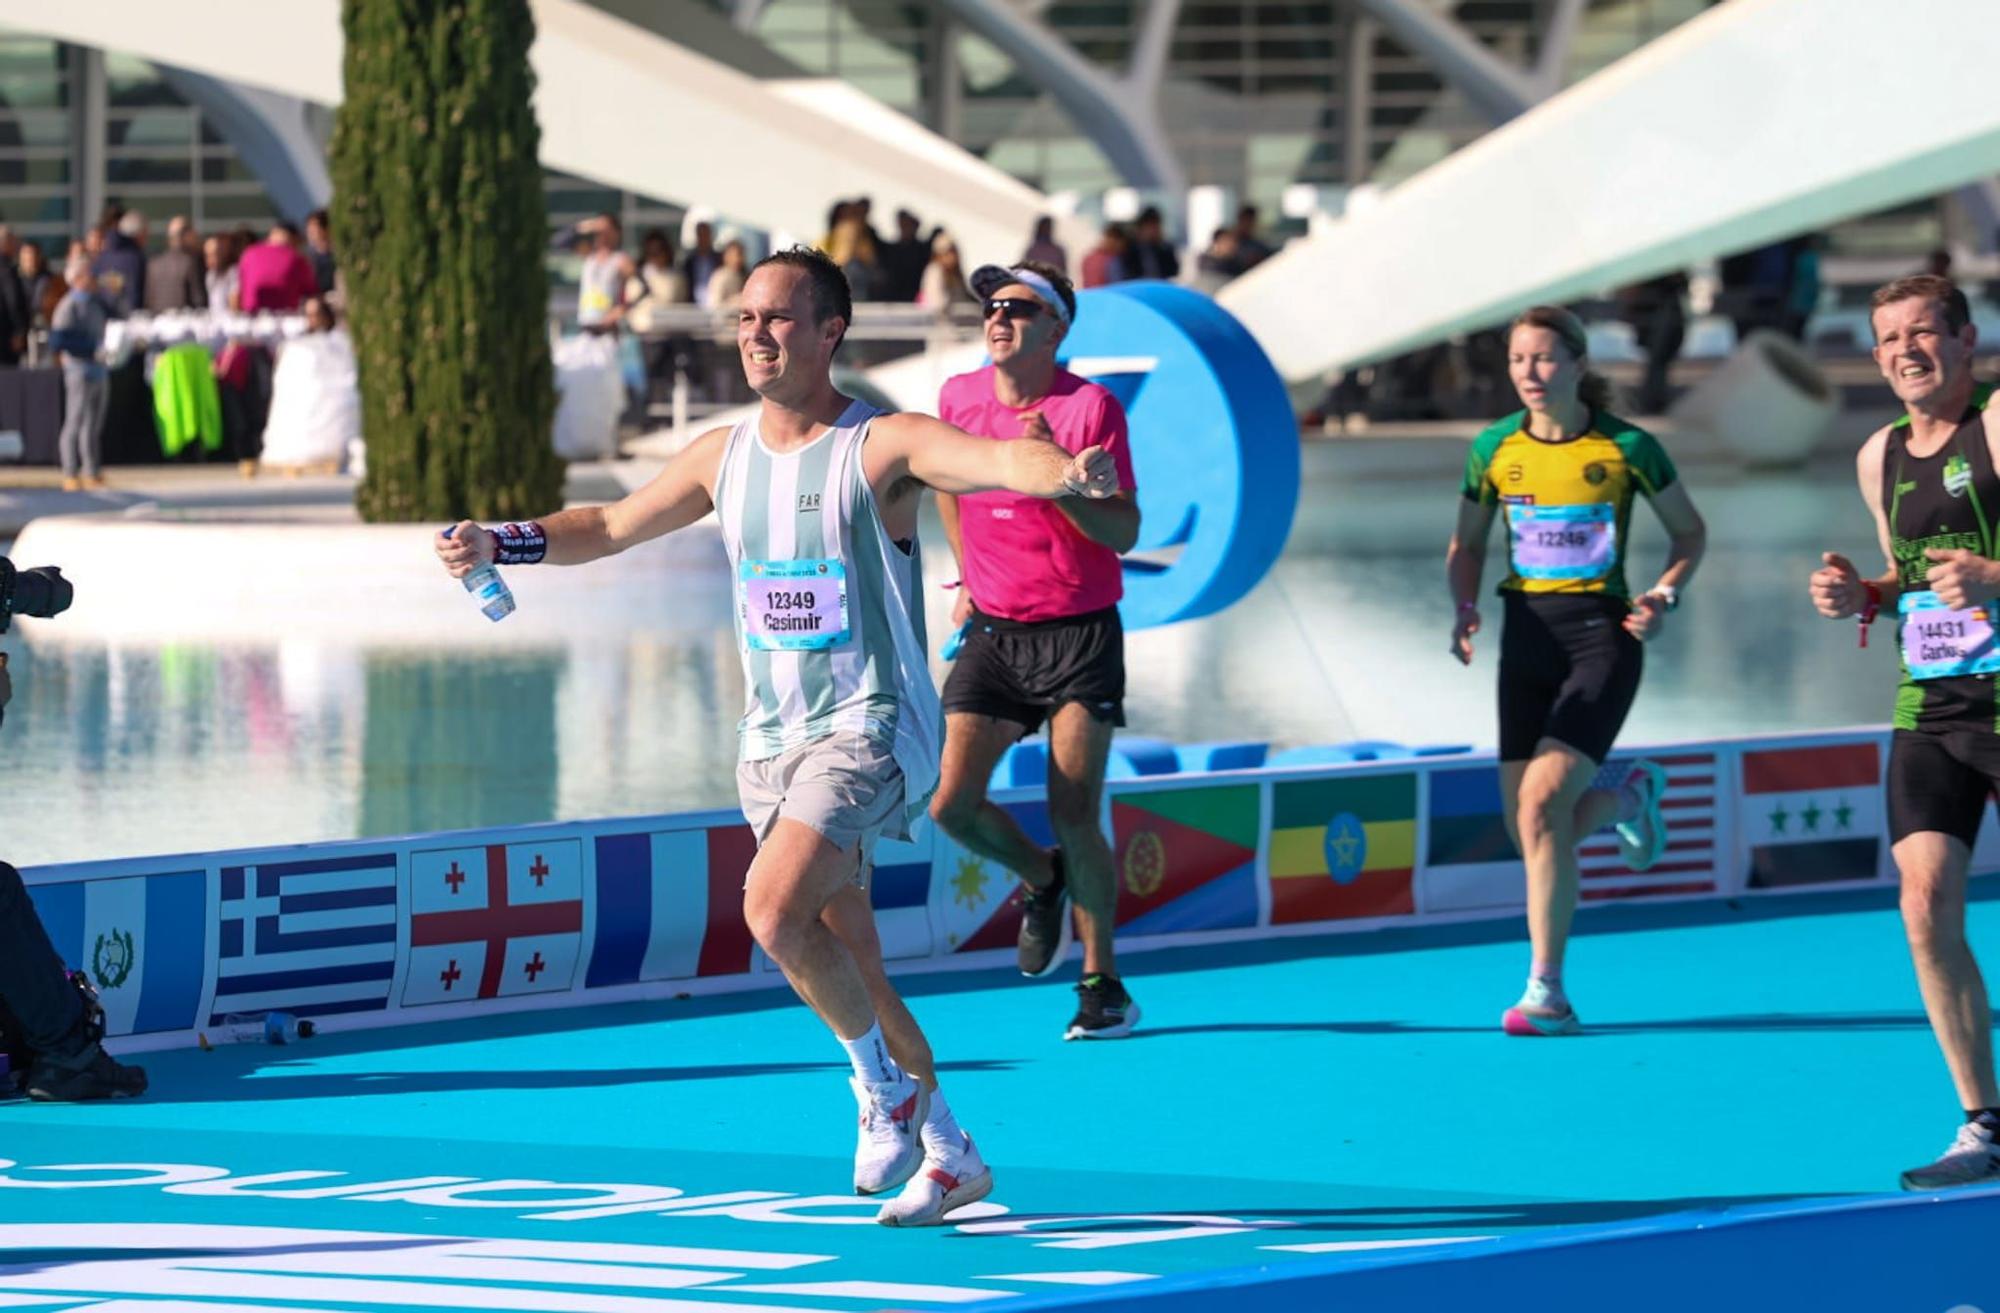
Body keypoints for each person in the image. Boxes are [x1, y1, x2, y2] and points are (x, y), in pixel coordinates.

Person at [434, 246, 1121, 1225]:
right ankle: (949, 1145)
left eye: (780, 318)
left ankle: (879, 1089)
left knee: (765, 907)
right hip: (772, 740)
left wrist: (1061, 471)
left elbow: (994, 459)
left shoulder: (877, 445)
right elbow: (612, 522)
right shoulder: (722, 457)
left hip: (870, 731)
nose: (757, 334)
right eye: (747, 319)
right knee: (852, 960)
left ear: (830, 332)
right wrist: (505, 540)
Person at [1446, 304, 1705, 1037]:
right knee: (1525, 823)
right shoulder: (1495, 447)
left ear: (1579, 364)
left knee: (1539, 809)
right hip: (1522, 642)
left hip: (1603, 639)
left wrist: (1664, 592)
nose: (1532, 373)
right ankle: (1628, 799)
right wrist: (1463, 604)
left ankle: (1547, 992)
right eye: (1519, 360)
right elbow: (1464, 544)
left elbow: (1689, 531)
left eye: (1547, 358)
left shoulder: (1627, 447)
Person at [1807, 274, 2000, 1190]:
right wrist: (1866, 594)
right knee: (1923, 905)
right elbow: (1906, 572)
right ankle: (1984, 1122)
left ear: (1966, 342)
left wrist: (1996, 575)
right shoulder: (1879, 454)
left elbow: (1977, 573)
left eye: (1924, 333)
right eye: (1888, 339)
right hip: (1931, 701)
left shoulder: (1996, 426)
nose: (1905, 351)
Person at [929, 261, 1143, 1039]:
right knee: (949, 800)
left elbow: (1125, 533)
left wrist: (1070, 482)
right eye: (991, 306)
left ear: (1055, 329)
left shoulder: (1091, 407)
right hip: (996, 628)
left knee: (1074, 807)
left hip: (1081, 632)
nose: (998, 317)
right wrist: (965, 576)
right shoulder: (957, 399)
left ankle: (1103, 983)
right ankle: (1041, 873)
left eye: (1019, 308)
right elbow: (947, 482)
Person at [50, 256, 112, 493]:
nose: (93, 278)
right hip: (79, 369)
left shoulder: (95, 303)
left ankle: (91, 469)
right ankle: (70, 470)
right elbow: (59, 340)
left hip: (98, 370)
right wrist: (89, 348)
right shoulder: (68, 306)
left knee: (93, 424)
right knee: (74, 420)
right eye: (87, 274)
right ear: (75, 279)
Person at [143, 215, 208, 313]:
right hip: (184, 324)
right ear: (187, 235)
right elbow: (199, 301)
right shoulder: (191, 263)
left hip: (158, 323)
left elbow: (148, 300)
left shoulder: (154, 264)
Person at [92, 208, 147, 316]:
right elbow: (135, 293)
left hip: (103, 319)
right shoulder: (135, 257)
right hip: (127, 321)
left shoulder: (101, 258)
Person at [880, 210, 929, 303]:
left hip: (915, 297)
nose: (906, 228)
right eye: (903, 225)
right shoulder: (891, 250)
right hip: (893, 299)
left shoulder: (922, 250)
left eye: (908, 225)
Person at [917, 231, 973, 311]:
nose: (951, 256)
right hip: (938, 320)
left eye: (953, 251)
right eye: (947, 253)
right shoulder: (934, 271)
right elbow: (936, 303)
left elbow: (963, 297)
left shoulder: (956, 274)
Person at [1124, 207, 1179, 282]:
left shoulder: (1164, 248)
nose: (1153, 231)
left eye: (1156, 226)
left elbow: (1174, 271)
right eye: (1149, 227)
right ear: (1141, 228)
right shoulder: (1130, 249)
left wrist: (1162, 245)